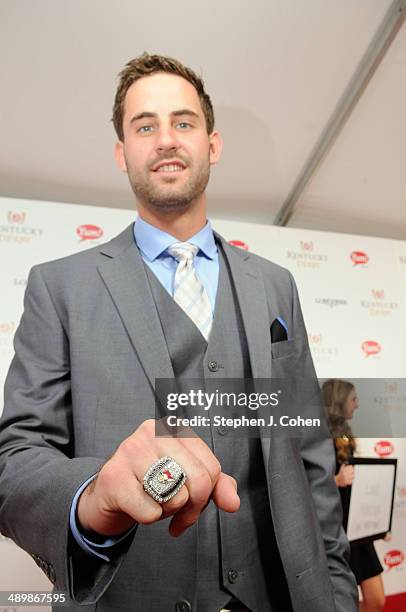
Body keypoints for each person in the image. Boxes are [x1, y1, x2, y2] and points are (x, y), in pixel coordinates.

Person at [0, 53, 358, 612]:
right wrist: (93, 497)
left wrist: (336, 594)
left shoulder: (276, 285)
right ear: (122, 154)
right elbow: (17, 458)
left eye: (183, 122)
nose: (166, 139)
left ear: (212, 144)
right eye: (146, 126)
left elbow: (308, 453)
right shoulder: (58, 288)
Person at [322, 379, 386, 612]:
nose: (357, 405)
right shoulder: (317, 437)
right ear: (339, 401)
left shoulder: (346, 435)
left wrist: (377, 525)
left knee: (376, 599)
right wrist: (335, 481)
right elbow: (301, 486)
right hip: (334, 533)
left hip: (358, 532)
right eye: (353, 399)